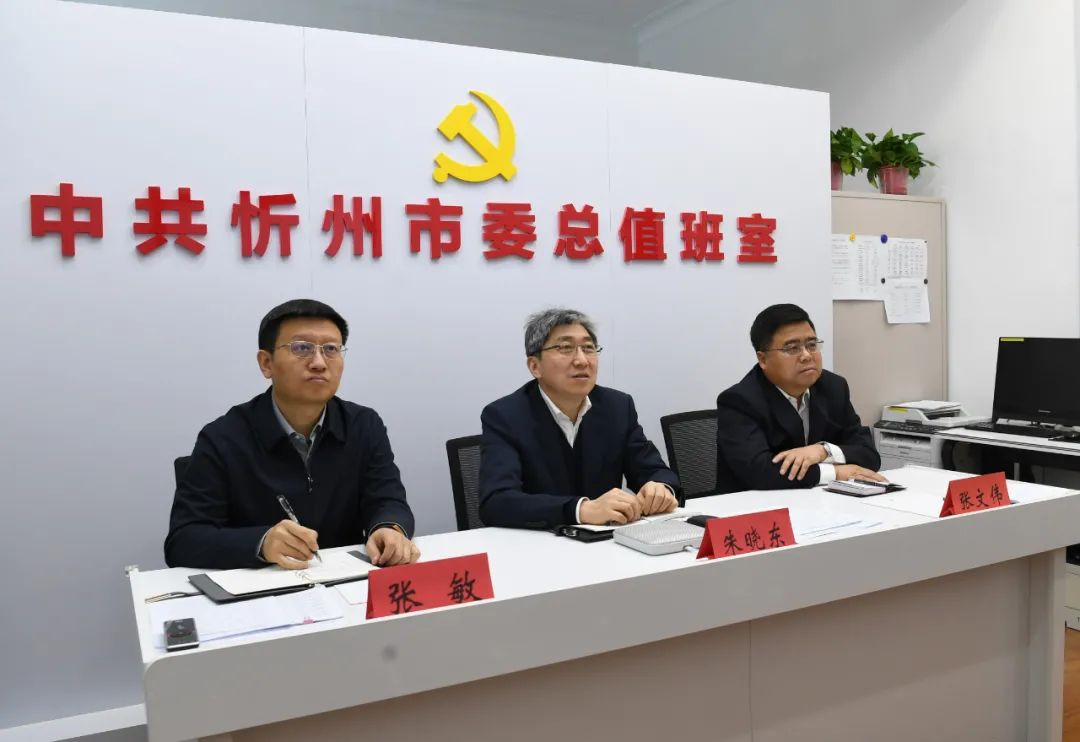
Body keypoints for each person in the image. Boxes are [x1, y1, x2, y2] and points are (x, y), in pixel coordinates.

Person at [165, 299, 420, 569]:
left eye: (331, 349)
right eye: (301, 348)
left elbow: (388, 500)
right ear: (266, 363)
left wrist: (389, 528)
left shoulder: (363, 425)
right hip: (264, 586)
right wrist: (261, 542)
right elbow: (184, 539)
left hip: (349, 582)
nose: (319, 363)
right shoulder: (223, 438)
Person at [479, 308, 679, 529]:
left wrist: (660, 489)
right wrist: (580, 510)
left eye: (588, 348)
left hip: (609, 542)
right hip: (539, 543)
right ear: (535, 366)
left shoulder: (617, 407)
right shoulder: (505, 416)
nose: (582, 360)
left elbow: (655, 471)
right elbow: (497, 502)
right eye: (565, 348)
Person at [715, 303, 883, 493]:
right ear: (763, 359)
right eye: (792, 348)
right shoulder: (739, 400)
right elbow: (760, 473)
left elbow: (869, 455)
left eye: (812, 345)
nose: (806, 356)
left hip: (821, 501)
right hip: (755, 506)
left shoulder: (833, 387)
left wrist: (823, 450)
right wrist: (835, 473)